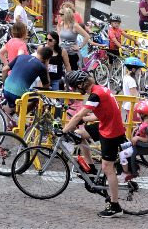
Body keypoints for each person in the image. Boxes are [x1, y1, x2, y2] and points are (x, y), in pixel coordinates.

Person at [62, 71, 128, 217]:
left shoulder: (94, 95)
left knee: (107, 168)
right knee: (79, 134)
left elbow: (79, 115)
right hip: (107, 125)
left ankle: (115, 207)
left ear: (80, 85)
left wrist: (63, 130)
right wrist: (81, 120)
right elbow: (98, 114)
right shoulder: (100, 89)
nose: (75, 90)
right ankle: (91, 168)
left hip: (111, 131)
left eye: (74, 87)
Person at [2, 45, 52, 120]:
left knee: (14, 110)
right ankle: (22, 115)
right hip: (19, 93)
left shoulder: (21, 56)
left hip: (6, 89)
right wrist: (46, 67)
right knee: (37, 96)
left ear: (38, 52)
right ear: (47, 59)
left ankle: (14, 122)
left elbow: (4, 70)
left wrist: (4, 84)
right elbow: (46, 86)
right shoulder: (41, 67)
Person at [57, 4, 91, 71]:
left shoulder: (75, 26)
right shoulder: (62, 24)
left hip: (72, 53)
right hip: (62, 51)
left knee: (72, 71)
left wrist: (80, 47)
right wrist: (59, 44)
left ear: (66, 15)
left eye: (61, 14)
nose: (59, 16)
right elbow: (60, 36)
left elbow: (87, 36)